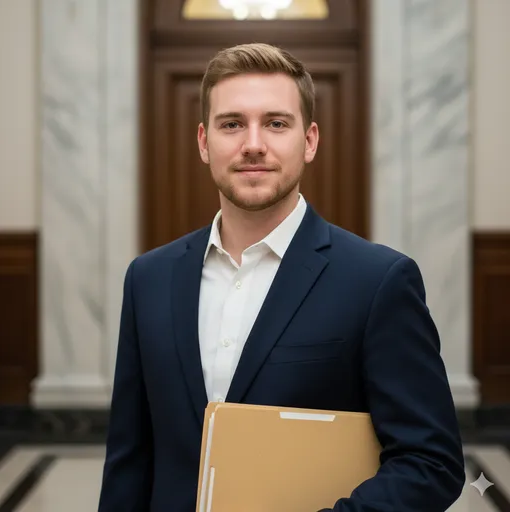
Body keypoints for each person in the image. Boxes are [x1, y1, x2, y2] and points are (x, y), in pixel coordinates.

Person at [98, 43, 465, 511]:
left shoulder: (378, 282)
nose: (253, 143)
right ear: (203, 142)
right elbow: (130, 458)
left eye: (276, 123)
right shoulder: (147, 278)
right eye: (232, 124)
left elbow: (431, 461)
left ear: (309, 140)